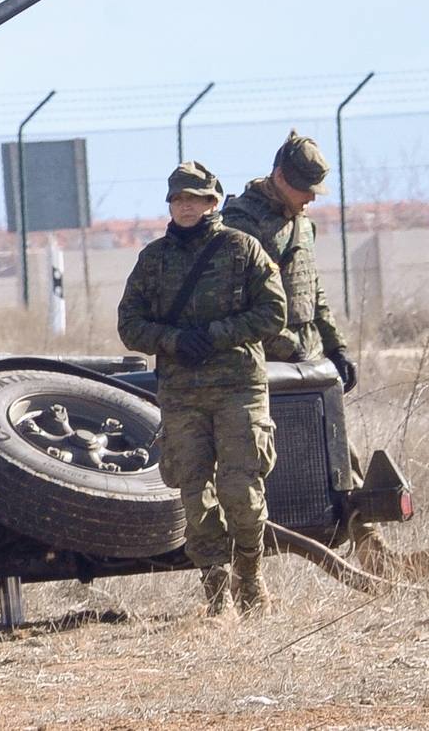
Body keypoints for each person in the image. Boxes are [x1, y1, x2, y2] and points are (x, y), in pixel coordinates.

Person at [223, 130, 429, 579]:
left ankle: (373, 552)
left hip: (308, 359)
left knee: (341, 452)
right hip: (266, 362)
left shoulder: (302, 221)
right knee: (255, 461)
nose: (310, 200)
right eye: (304, 189)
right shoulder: (241, 223)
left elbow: (313, 289)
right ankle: (241, 574)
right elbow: (237, 299)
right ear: (280, 177)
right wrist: (277, 350)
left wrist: (335, 346)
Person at [119, 162, 286, 615]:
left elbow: (273, 313)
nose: (186, 206)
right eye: (178, 200)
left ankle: (249, 576)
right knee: (195, 494)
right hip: (182, 393)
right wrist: (173, 340)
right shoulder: (154, 259)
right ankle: (216, 591)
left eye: (195, 198)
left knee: (240, 491)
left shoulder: (242, 250)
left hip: (237, 388)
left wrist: (214, 335)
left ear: (214, 202)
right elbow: (129, 325)